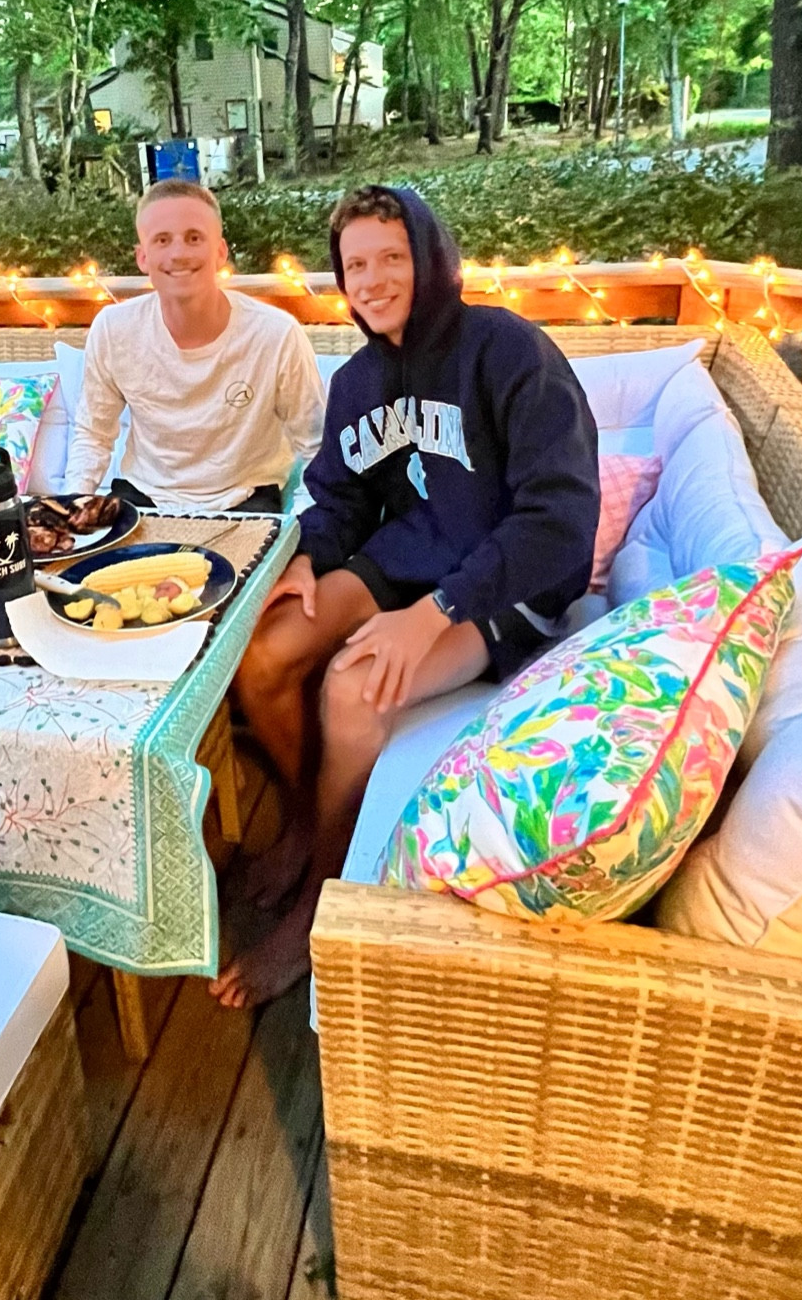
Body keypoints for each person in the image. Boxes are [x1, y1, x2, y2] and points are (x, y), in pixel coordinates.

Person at [212, 183, 599, 1008]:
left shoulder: (509, 353)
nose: (375, 279)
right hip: (409, 556)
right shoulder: (359, 380)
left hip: (505, 584)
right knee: (266, 652)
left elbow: (561, 521)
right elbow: (342, 495)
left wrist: (433, 615)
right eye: (357, 264)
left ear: (431, 258)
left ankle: (324, 893)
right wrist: (311, 557)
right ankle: (303, 823)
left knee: (358, 687)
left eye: (393, 257)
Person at [65, 178, 326, 515]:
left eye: (193, 238)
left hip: (247, 499)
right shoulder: (113, 329)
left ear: (220, 252)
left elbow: (316, 444)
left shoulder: (275, 334)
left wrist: (303, 522)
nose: (178, 253)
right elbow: (93, 435)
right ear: (143, 257)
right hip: (143, 498)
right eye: (162, 240)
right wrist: (68, 508)